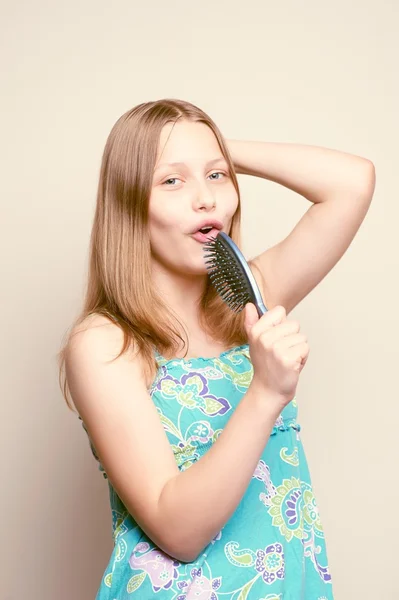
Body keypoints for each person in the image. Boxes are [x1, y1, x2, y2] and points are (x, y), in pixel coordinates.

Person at [59, 98, 375, 599]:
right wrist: (266, 393)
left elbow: (352, 183)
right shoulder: (105, 344)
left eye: (217, 177)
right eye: (171, 181)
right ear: (127, 202)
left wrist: (215, 151)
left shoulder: (250, 297)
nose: (206, 200)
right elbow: (177, 531)